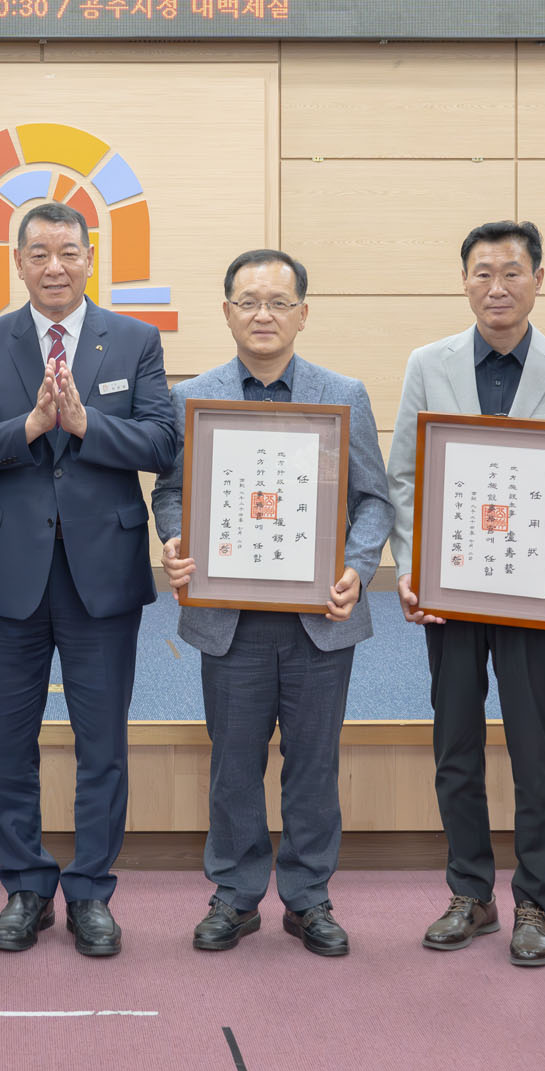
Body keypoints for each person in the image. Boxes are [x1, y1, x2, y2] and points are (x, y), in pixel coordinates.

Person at [0, 200, 179, 958]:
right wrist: (31, 427)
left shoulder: (135, 340)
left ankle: (91, 891)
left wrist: (83, 425)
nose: (55, 266)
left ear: (90, 258)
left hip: (101, 573)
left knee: (102, 742)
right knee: (8, 741)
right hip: (8, 572)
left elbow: (162, 442)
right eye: (39, 253)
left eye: (68, 252)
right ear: (17, 263)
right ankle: (24, 886)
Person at [153, 249, 392, 957]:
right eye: (249, 302)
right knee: (234, 763)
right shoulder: (190, 397)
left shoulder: (343, 393)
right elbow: (170, 491)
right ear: (227, 312)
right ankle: (234, 894)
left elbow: (374, 499)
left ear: (303, 314)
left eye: (279, 302)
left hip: (321, 617)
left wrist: (356, 568)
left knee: (314, 764)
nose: (264, 315)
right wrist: (173, 537)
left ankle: (309, 898)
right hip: (229, 620)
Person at [386, 221, 545, 967]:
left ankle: (536, 902)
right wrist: (411, 567)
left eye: (512, 272)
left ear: (539, 279)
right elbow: (405, 475)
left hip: (531, 594)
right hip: (448, 590)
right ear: (464, 281)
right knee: (456, 744)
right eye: (482, 273)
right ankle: (470, 894)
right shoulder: (428, 363)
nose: (496, 287)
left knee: (535, 749)